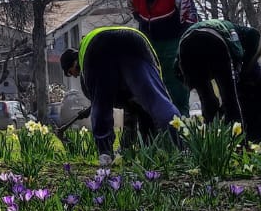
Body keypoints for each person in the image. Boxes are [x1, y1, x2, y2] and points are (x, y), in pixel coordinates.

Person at [59, 26, 181, 162]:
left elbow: (101, 103)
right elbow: (133, 105)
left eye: (71, 72)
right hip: (134, 41)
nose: (75, 76)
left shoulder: (86, 61)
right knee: (156, 101)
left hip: (98, 47)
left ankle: (105, 154)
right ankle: (180, 145)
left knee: (101, 103)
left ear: (73, 63)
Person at [127, 0, 200, 113]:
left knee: (177, 86)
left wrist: (185, 42)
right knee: (150, 84)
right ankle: (158, 129)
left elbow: (189, 13)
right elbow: (132, 10)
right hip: (149, 43)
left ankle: (183, 125)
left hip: (173, 41)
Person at [176, 18, 261, 123]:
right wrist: (246, 63)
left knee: (207, 100)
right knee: (230, 98)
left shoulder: (228, 30)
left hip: (186, 47)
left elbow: (177, 68)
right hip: (213, 41)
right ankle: (235, 133)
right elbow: (254, 33)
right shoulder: (238, 30)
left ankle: (213, 132)